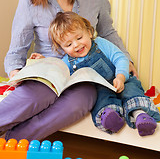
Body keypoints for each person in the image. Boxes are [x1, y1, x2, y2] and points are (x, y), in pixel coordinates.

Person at [1, 0, 136, 141]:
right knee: (37, 95)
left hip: (85, 74)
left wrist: (126, 60)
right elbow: (17, 49)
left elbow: (108, 32)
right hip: (48, 70)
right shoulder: (28, 0)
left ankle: (14, 140)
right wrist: (15, 72)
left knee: (81, 102)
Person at [32, 11, 160, 136]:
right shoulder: (67, 61)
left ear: (88, 32)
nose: (76, 45)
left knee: (131, 90)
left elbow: (120, 58)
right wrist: (44, 62)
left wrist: (120, 76)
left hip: (120, 79)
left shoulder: (100, 44)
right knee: (100, 100)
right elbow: (58, 71)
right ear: (62, 48)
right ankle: (111, 118)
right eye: (69, 44)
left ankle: (140, 116)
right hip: (100, 90)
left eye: (79, 37)